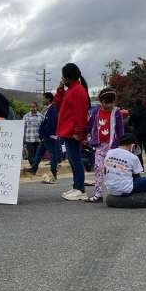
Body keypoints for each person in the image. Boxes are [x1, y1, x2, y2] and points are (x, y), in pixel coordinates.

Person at [54, 63, 90, 201]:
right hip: (67, 131)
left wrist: (79, 132)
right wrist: (60, 90)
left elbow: (81, 114)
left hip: (73, 132)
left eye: (63, 76)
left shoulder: (79, 91)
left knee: (76, 160)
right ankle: (76, 187)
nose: (62, 78)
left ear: (67, 77)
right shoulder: (71, 90)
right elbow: (58, 106)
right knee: (72, 160)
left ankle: (80, 189)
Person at [86, 88, 124, 203]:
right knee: (98, 168)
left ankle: (119, 192)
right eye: (106, 102)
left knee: (115, 170)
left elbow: (120, 129)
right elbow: (89, 125)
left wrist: (121, 143)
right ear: (100, 101)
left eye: (111, 102)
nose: (109, 105)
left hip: (113, 147)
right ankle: (98, 194)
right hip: (99, 146)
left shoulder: (116, 112)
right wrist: (85, 137)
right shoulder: (95, 112)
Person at [28, 92, 60, 183]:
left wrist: (44, 134)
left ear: (48, 99)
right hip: (45, 136)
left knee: (52, 155)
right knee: (39, 153)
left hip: (49, 136)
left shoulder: (52, 110)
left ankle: (53, 174)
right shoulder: (47, 109)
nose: (42, 100)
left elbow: (51, 124)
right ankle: (33, 169)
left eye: (43, 98)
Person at [128, 99, 146, 172]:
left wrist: (134, 129)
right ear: (142, 103)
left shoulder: (134, 113)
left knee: (139, 152)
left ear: (135, 104)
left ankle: (141, 168)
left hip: (137, 134)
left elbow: (129, 124)